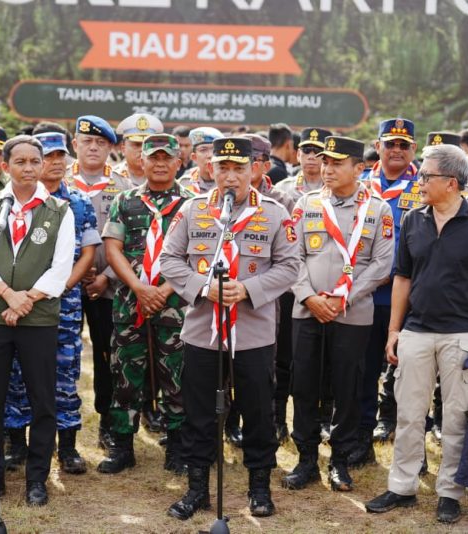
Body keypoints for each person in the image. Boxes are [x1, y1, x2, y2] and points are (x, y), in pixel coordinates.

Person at [365, 143, 468, 524]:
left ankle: (449, 492)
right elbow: (402, 279)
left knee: (456, 417)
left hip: (462, 334)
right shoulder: (413, 220)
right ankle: (402, 486)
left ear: (451, 182)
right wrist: (394, 330)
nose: (419, 181)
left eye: (426, 175)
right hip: (416, 332)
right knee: (408, 414)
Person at [162, 137, 299, 520]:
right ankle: (197, 489)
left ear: (254, 169)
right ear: (211, 169)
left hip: (253, 332)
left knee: (258, 410)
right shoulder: (193, 210)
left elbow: (290, 266)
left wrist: (248, 289)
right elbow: (169, 260)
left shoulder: (274, 213)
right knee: (199, 412)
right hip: (203, 330)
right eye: (223, 168)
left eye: (239, 168)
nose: (231, 176)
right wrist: (204, 287)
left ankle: (259, 486)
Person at [0, 135, 75, 506]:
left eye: (34, 161)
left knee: (43, 400)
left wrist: (25, 299)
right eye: (20, 161)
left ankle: (37, 480)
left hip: (38, 318)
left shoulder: (59, 210)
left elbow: (61, 267)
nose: (28, 168)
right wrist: (8, 295)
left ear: (42, 165)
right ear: (5, 166)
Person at [283, 136, 393, 493]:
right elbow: (292, 256)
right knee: (304, 386)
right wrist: (309, 297)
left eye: (336, 163)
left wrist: (343, 297)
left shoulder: (378, 209)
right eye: (324, 162)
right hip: (307, 311)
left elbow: (382, 264)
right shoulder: (307, 203)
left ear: (358, 168)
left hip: (352, 313)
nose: (327, 169)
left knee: (348, 387)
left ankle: (340, 461)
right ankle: (306, 459)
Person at [1, 131, 99, 475]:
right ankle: (17, 443)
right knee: (16, 372)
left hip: (63, 304)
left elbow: (88, 254)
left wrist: (60, 287)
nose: (56, 163)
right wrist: (24, 296)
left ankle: (67, 446)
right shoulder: (9, 202)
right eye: (49, 157)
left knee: (64, 373)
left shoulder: (79, 203)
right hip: (18, 302)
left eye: (60, 156)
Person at [98, 133, 192, 475]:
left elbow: (197, 255)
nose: (160, 163)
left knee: (178, 378)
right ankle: (122, 447)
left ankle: (178, 448)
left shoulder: (193, 204)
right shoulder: (125, 200)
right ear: (142, 161)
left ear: (179, 162)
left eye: (167, 157)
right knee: (125, 377)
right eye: (154, 157)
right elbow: (113, 249)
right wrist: (140, 289)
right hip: (130, 303)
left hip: (176, 304)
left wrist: (162, 291)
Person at [66, 115, 124, 450]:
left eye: (100, 143)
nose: (93, 148)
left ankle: (107, 421)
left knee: (107, 356)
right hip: (65, 286)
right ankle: (62, 427)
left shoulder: (122, 186)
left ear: (110, 147)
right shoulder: (58, 181)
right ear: (75, 144)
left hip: (108, 287)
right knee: (62, 356)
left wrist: (106, 276)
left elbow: (133, 242)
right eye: (87, 141)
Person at [271, 127, 331, 443]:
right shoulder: (282, 191)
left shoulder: (339, 191)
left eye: (319, 153)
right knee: (283, 357)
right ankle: (278, 418)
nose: (311, 157)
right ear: (297, 154)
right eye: (306, 150)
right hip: (288, 287)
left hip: (326, 287)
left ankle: (324, 418)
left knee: (324, 359)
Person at [363, 118, 420, 445]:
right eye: (390, 144)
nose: (396, 150)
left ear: (414, 149)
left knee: (404, 366)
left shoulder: (425, 187)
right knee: (363, 366)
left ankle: (392, 420)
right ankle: (362, 428)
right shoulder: (359, 184)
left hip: (407, 296)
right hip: (363, 295)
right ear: (377, 146)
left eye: (403, 145)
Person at [112, 113, 163, 187]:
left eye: (147, 145)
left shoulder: (163, 176)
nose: (142, 150)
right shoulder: (111, 177)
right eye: (137, 145)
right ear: (123, 149)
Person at [178, 127, 222, 194]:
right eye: (203, 150)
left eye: (214, 150)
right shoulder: (184, 183)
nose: (210, 155)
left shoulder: (230, 181)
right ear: (194, 157)